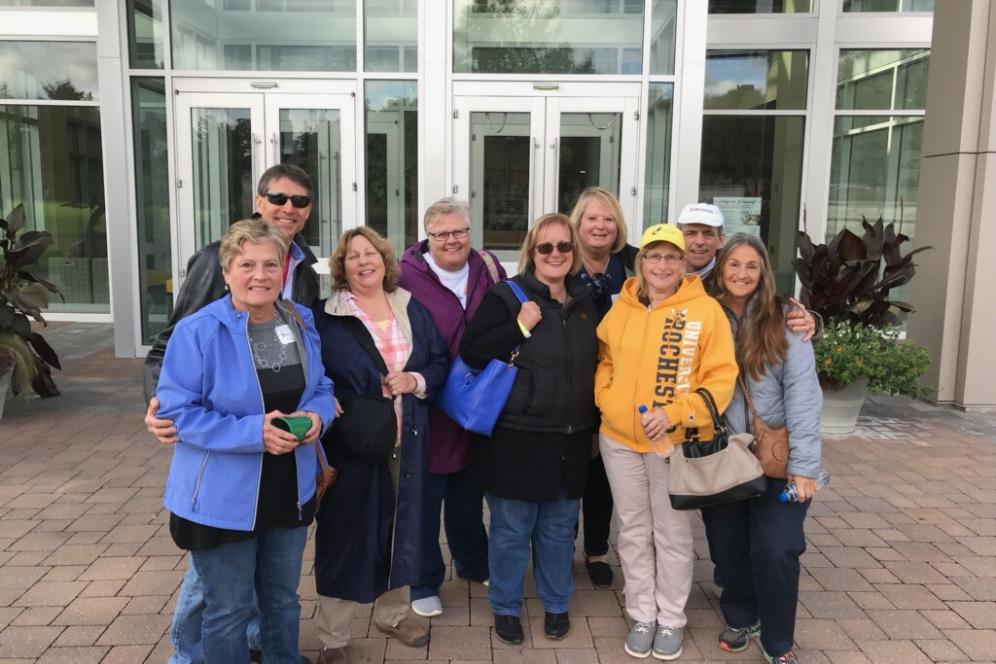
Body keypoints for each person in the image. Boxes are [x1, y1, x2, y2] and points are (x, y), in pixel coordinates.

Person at [144, 164, 320, 664]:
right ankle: (189, 657)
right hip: (225, 488)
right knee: (225, 602)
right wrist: (252, 432)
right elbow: (177, 397)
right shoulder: (199, 329)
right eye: (247, 266)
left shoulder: (300, 317)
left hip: (289, 484)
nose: (261, 275)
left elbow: (321, 384)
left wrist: (319, 417)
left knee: (282, 598)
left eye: (271, 266)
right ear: (226, 272)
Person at [594, 223, 738, 660]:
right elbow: (605, 360)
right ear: (640, 262)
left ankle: (672, 618)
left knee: (673, 532)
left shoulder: (704, 310)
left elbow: (721, 377)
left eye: (671, 257)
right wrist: (608, 401)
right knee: (634, 530)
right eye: (653, 256)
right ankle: (642, 614)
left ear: (683, 264)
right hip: (618, 440)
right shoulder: (622, 306)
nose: (662, 264)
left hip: (674, 443)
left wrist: (675, 414)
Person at [312, 227, 449, 664]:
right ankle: (334, 636)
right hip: (353, 442)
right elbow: (312, 372)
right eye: (352, 256)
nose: (363, 261)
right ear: (341, 266)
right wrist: (324, 395)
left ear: (385, 260)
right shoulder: (326, 315)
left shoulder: (410, 307)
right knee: (344, 534)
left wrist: (417, 380)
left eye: (370, 253)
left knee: (402, 527)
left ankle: (393, 614)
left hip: (406, 437)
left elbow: (440, 360)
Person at [460, 213, 597, 645]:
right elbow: (472, 351)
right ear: (531, 252)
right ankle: (505, 606)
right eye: (546, 247)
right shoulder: (507, 296)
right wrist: (520, 325)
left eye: (564, 247)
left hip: (571, 436)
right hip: (517, 437)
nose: (555, 254)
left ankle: (556, 603)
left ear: (574, 252)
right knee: (512, 530)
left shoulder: (588, 299)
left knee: (559, 529)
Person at [700, 234, 823, 664]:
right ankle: (742, 616)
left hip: (778, 458)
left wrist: (805, 467)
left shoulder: (786, 318)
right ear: (721, 268)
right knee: (728, 547)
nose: (741, 274)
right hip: (720, 456)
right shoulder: (702, 311)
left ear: (764, 272)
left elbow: (804, 395)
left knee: (778, 547)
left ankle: (777, 642)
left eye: (752, 266)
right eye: (733, 264)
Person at [398, 198, 505, 617]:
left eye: (459, 231)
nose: (452, 240)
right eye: (441, 233)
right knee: (425, 498)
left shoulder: (487, 268)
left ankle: (473, 563)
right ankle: (423, 580)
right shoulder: (406, 276)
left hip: (478, 401)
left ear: (470, 233)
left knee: (467, 492)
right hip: (428, 401)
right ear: (428, 238)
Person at [567, 186, 639, 589]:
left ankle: (596, 549)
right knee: (570, 468)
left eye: (608, 218)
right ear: (578, 223)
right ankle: (563, 548)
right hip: (572, 384)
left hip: (620, 385)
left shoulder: (634, 264)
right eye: (592, 218)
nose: (600, 225)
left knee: (604, 474)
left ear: (618, 226)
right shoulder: (560, 260)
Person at [675, 203, 817, 338]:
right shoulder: (661, 274)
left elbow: (767, 304)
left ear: (721, 240)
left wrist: (813, 321)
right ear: (677, 237)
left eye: (708, 234)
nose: (699, 241)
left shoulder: (732, 276)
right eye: (691, 233)